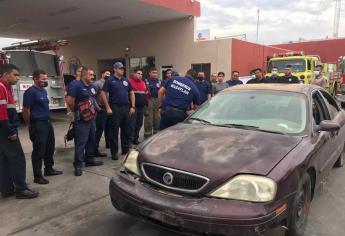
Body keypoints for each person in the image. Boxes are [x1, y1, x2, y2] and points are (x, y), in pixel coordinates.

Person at [0, 64, 38, 199]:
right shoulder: (1, 87)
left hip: (3, 129)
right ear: (5, 75)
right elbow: (2, 114)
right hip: (5, 130)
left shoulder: (6, 88)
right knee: (18, 159)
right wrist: (10, 131)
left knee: (4, 160)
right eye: (15, 75)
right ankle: (21, 189)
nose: (18, 78)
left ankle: (7, 189)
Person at [22, 69, 63, 185]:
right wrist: (29, 124)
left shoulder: (43, 91)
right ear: (35, 79)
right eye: (42, 79)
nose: (45, 81)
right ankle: (37, 176)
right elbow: (26, 110)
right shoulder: (30, 92)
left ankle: (49, 169)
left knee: (50, 147)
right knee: (39, 151)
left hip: (47, 122)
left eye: (46, 79)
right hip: (38, 124)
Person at [66, 67, 103, 176]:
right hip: (82, 119)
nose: (92, 77)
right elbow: (69, 101)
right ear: (84, 75)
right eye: (90, 75)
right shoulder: (76, 85)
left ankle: (89, 159)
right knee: (81, 142)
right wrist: (76, 112)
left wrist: (97, 107)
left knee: (91, 139)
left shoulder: (91, 86)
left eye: (93, 75)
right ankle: (78, 165)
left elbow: (92, 98)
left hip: (92, 117)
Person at [101, 62, 135, 160]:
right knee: (114, 131)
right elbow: (103, 93)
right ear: (115, 69)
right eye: (120, 68)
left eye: (123, 69)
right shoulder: (110, 80)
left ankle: (125, 149)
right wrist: (107, 107)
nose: (122, 70)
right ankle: (114, 152)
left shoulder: (126, 80)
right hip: (115, 107)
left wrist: (132, 106)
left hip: (126, 107)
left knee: (126, 130)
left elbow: (131, 93)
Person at [93, 69, 111, 157]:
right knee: (99, 129)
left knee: (108, 128)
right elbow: (92, 96)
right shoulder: (97, 84)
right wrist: (97, 108)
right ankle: (95, 148)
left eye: (109, 74)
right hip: (100, 108)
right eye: (107, 73)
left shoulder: (110, 83)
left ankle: (108, 144)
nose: (108, 75)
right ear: (102, 74)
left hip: (109, 108)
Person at [129, 69, 147, 145]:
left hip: (141, 107)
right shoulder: (129, 82)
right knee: (132, 124)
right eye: (138, 73)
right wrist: (131, 107)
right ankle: (130, 141)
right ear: (134, 74)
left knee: (139, 124)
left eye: (141, 74)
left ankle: (135, 139)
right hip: (133, 107)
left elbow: (145, 94)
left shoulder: (143, 83)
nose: (140, 75)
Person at [144, 67, 161, 138]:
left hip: (157, 100)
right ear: (149, 73)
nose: (155, 74)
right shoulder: (146, 81)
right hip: (149, 100)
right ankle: (148, 136)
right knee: (149, 119)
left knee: (157, 118)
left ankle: (156, 135)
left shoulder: (159, 81)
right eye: (153, 72)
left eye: (156, 73)